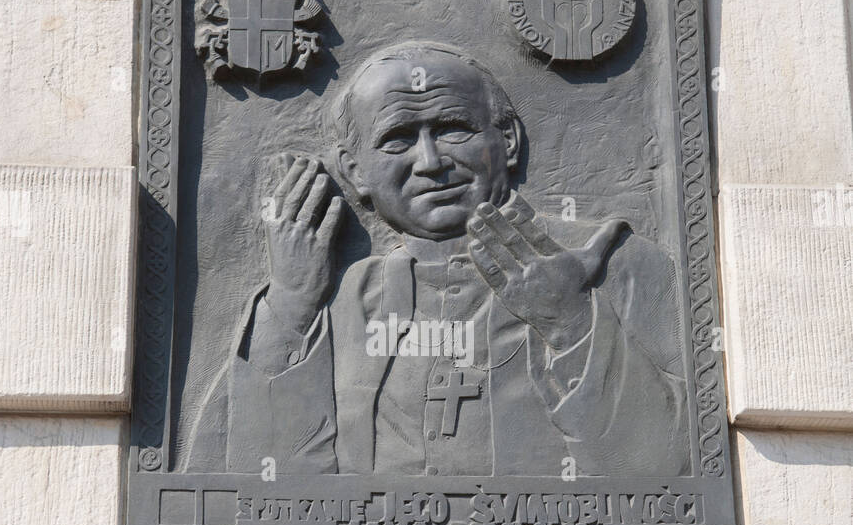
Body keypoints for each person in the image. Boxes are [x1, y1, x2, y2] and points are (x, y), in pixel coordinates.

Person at [188, 41, 689, 476]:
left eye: (452, 129)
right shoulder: (339, 300)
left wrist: (573, 325)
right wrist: (290, 310)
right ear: (355, 171)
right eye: (398, 139)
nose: (430, 163)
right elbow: (241, 496)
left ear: (507, 141)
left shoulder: (612, 263)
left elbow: (679, 466)